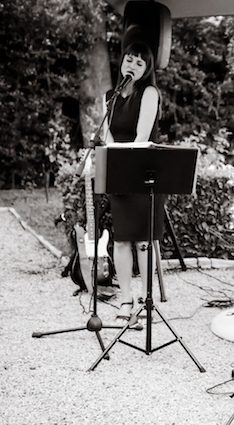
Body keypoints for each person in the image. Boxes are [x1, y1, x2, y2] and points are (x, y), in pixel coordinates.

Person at [102, 42, 164, 326]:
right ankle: (125, 299)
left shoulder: (148, 93)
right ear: (122, 63)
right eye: (129, 60)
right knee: (122, 238)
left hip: (143, 169)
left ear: (147, 69)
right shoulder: (110, 97)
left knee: (142, 240)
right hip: (119, 171)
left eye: (140, 63)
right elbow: (107, 137)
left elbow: (141, 136)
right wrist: (113, 162)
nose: (132, 66)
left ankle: (145, 299)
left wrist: (123, 161)